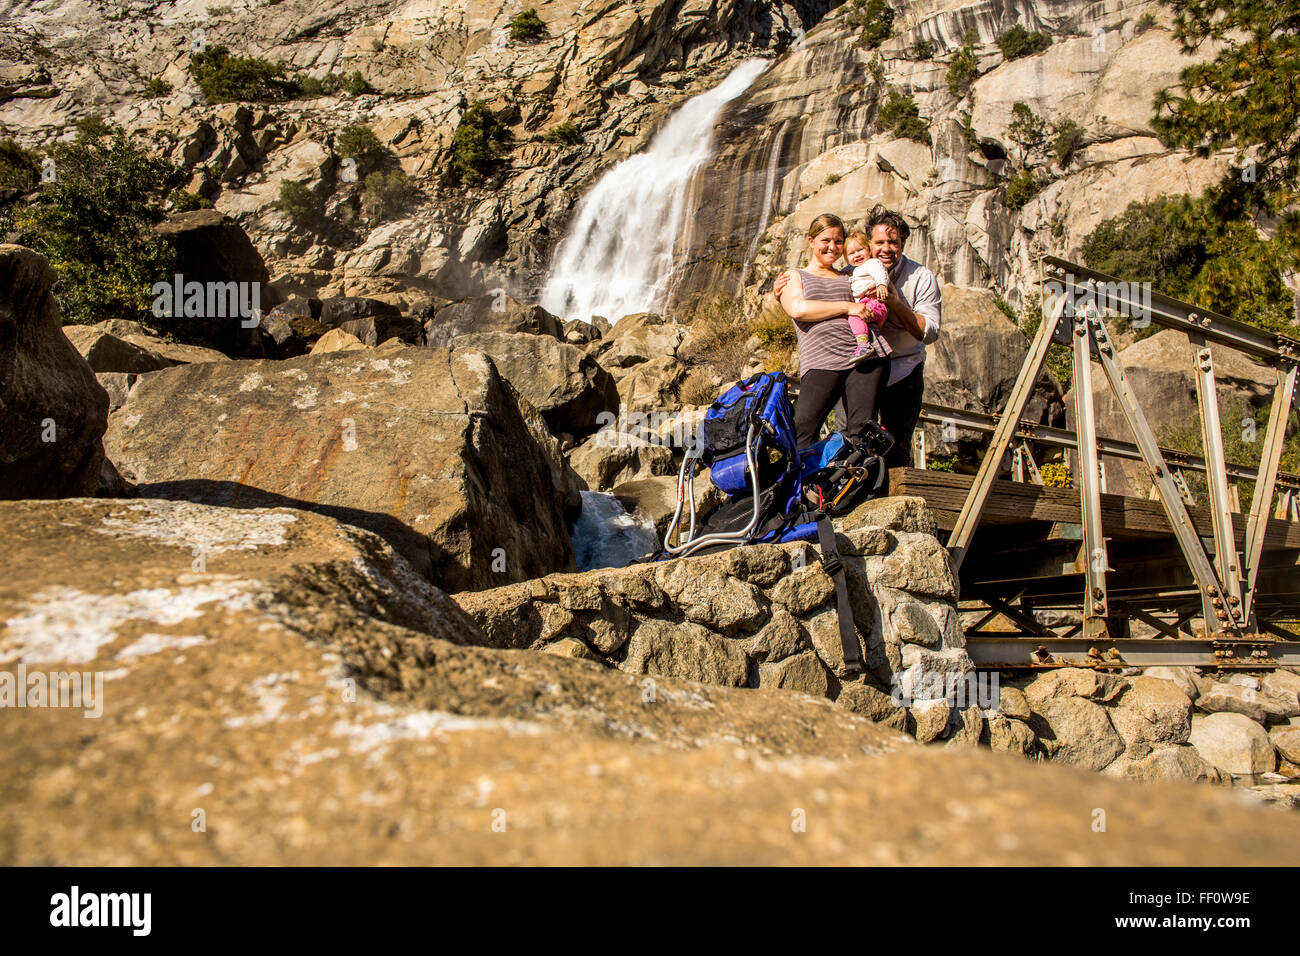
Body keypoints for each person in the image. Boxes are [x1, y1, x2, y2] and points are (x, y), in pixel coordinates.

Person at [773, 205, 941, 467]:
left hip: (901, 367)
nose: (886, 248)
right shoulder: (850, 274)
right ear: (868, 245)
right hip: (849, 362)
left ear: (903, 243)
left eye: (893, 242)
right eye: (880, 242)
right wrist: (781, 289)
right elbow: (805, 302)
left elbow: (929, 332)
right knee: (841, 433)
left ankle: (888, 504)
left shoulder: (920, 277)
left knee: (893, 444)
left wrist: (896, 302)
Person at [776, 213, 891, 448]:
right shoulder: (795, 276)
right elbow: (798, 309)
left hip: (866, 357)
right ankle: (802, 484)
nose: (832, 247)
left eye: (838, 241)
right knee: (802, 429)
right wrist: (848, 306)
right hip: (822, 359)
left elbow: (879, 275)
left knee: (862, 433)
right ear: (811, 241)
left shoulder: (850, 275)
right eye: (825, 240)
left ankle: (856, 484)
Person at [843, 230, 890, 362]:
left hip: (874, 303)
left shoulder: (872, 263)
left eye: (860, 250)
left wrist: (881, 285)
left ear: (868, 250)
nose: (857, 255)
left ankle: (864, 345)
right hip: (866, 303)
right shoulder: (853, 270)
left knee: (855, 316)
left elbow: (880, 272)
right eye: (851, 253)